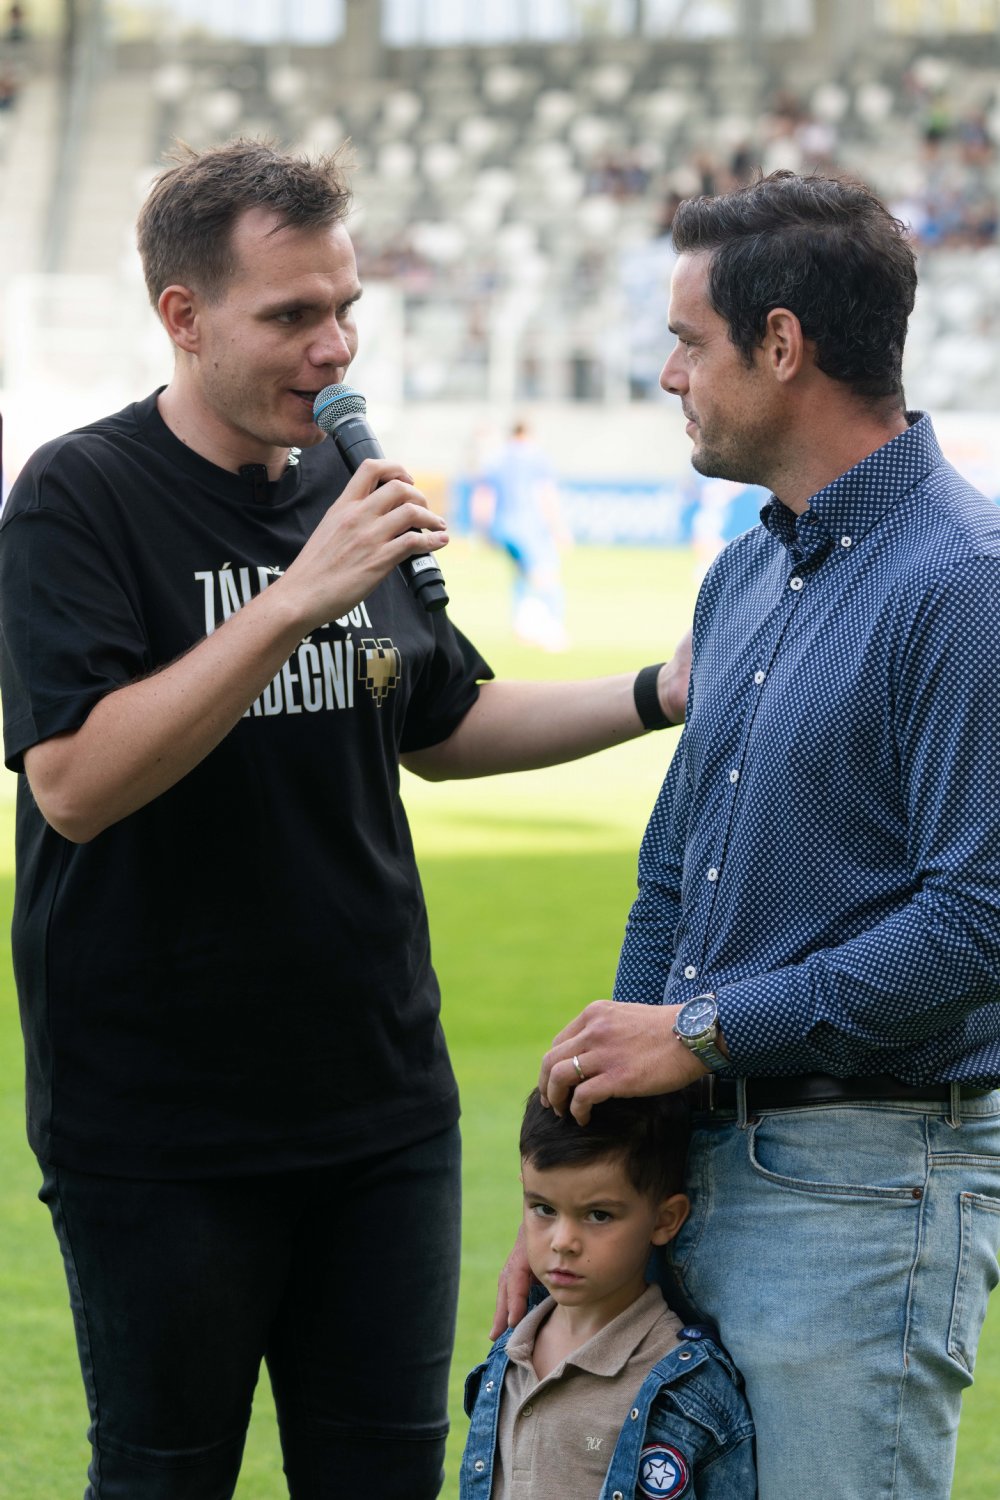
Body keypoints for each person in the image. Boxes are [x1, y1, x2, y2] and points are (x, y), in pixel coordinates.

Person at [0, 138, 691, 1500]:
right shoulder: (78, 498)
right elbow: (73, 783)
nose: (335, 349)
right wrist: (294, 601)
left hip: (379, 1106)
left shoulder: (342, 488)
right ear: (183, 315)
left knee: (384, 1476)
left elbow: (437, 719)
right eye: (292, 316)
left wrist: (656, 692)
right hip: (160, 1124)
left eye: (346, 307)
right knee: (163, 1476)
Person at [494, 169, 1000, 1500]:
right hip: (698, 1172)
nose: (668, 374)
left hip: (863, 1185)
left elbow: (979, 922)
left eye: (688, 340)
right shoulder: (743, 570)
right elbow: (672, 879)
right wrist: (593, 1190)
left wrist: (704, 1032)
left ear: (781, 345)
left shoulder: (966, 583)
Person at [461, 1090, 755, 1499]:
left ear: (665, 1219)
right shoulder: (508, 1356)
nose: (563, 1242)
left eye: (598, 1215)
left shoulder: (685, 1389)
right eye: (544, 1209)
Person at [471, 420, 571, 651]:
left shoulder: (495, 458)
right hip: (528, 526)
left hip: (503, 527)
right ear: (528, 434)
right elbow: (546, 494)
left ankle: (521, 627)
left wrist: (483, 530)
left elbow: (483, 495)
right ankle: (553, 629)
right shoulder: (536, 457)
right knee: (546, 575)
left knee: (521, 574)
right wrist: (558, 528)